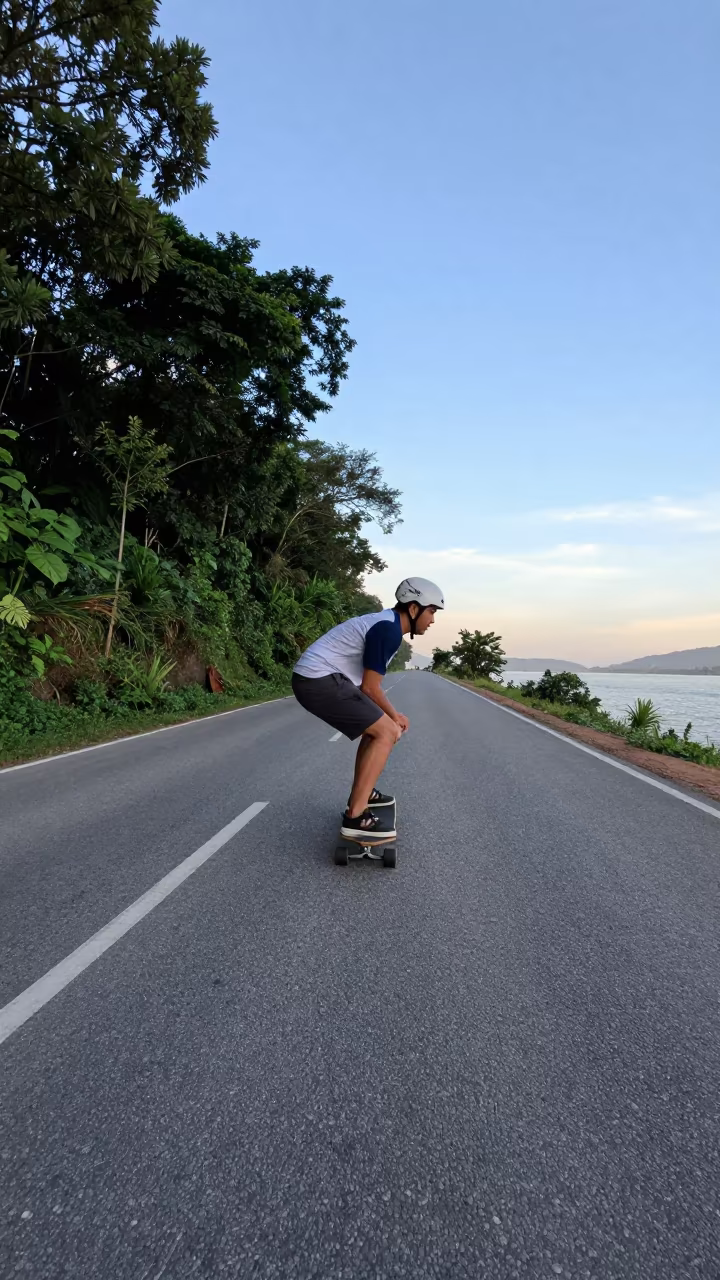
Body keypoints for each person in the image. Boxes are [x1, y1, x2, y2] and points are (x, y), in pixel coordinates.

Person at [292, 577, 444, 839]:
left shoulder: (387, 624)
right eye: (431, 611)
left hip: (318, 678)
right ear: (413, 607)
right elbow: (370, 688)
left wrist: (389, 717)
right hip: (318, 680)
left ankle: (362, 793)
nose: (432, 620)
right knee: (387, 732)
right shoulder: (388, 630)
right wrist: (394, 717)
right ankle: (355, 818)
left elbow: (368, 686)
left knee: (377, 729)